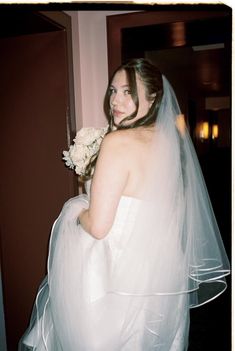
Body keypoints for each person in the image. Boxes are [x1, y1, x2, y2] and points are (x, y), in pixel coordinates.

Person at [19, 58, 230, 351]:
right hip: (158, 277)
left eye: (128, 92)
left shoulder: (117, 142)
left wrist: (76, 211)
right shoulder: (171, 143)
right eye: (113, 91)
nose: (116, 101)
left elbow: (99, 227)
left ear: (154, 98)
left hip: (110, 276)